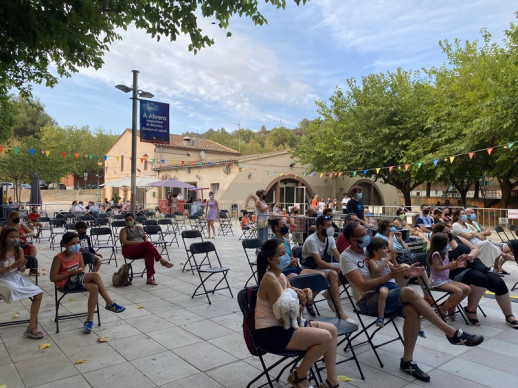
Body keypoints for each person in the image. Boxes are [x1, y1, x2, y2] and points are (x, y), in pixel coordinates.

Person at [341, 222, 484, 382]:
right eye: (363, 234)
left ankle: (407, 361)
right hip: (368, 300)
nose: (368, 235)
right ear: (353, 240)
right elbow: (362, 285)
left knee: (412, 310)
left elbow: (391, 277)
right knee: (409, 292)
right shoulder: (347, 257)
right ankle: (451, 332)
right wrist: (389, 277)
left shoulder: (370, 250)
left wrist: (407, 273)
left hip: (387, 293)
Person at [255, 239, 341, 388]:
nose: (286, 257)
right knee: (324, 337)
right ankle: (299, 376)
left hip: (289, 325)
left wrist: (305, 294)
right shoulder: (271, 280)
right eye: (281, 254)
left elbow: (293, 297)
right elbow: (284, 318)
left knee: (332, 330)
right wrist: (302, 302)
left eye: (286, 253)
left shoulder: (281, 276)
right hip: (272, 332)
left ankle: (331, 381)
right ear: (270, 260)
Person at [432, 222, 518, 329]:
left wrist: (470, 256)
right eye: (446, 232)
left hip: (475, 265)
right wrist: (456, 263)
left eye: (449, 231)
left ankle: (509, 315)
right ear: (439, 234)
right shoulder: (438, 246)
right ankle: (470, 310)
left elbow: (475, 249)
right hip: (456, 271)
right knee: (480, 278)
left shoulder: (457, 238)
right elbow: (439, 265)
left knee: (498, 281)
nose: (449, 233)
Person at [50, 232, 126, 333]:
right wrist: (70, 274)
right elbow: (53, 278)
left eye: (78, 242)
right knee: (95, 275)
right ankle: (109, 303)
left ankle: (89, 321)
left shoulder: (78, 254)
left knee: (94, 287)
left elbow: (82, 269)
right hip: (64, 283)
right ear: (65, 245)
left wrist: (79, 271)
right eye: (73, 243)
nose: (76, 245)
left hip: (77, 279)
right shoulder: (58, 258)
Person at [301, 215, 350, 320]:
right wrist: (337, 268)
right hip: (309, 267)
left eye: (331, 225)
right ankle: (339, 311)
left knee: (346, 270)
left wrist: (345, 265)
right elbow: (319, 263)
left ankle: (329, 294)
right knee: (333, 273)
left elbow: (337, 255)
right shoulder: (312, 240)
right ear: (319, 228)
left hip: (321, 265)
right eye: (328, 225)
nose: (331, 228)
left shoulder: (330, 238)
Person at [0, 227, 44, 339]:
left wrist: (22, 266)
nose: (15, 239)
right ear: (4, 238)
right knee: (12, 289)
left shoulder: (18, 250)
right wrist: (12, 266)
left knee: (39, 293)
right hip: (2, 278)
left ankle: (31, 326)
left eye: (17, 237)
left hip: (15, 277)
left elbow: (20, 270)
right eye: (12, 237)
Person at [119, 213, 173, 285]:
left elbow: (145, 238)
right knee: (147, 244)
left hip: (141, 247)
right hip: (129, 249)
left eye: (130, 220)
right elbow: (124, 242)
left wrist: (144, 243)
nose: (128, 221)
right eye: (126, 220)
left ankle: (149, 278)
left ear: (134, 219)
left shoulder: (140, 228)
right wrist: (137, 243)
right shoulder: (124, 230)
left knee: (149, 254)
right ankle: (161, 260)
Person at [427, 232, 471, 320]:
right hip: (437, 281)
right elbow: (436, 268)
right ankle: (443, 309)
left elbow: (448, 267)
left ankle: (451, 306)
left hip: (446, 279)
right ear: (441, 244)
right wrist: (449, 266)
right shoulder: (436, 254)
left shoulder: (445, 253)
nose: (449, 244)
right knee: (458, 292)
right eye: (447, 242)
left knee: (467, 289)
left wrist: (457, 263)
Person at [366, 237, 399, 328]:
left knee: (402, 293)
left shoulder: (386, 261)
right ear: (375, 251)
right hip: (382, 283)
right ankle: (381, 316)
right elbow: (378, 270)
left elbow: (396, 268)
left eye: (387, 248)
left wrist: (393, 259)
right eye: (384, 248)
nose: (387, 250)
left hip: (392, 283)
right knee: (384, 292)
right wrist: (387, 259)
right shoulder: (372, 261)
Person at [7, 211, 38, 275]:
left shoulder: (22, 225)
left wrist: (26, 235)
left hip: (25, 243)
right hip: (13, 245)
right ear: (10, 219)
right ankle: (19, 265)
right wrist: (17, 239)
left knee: (33, 248)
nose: (17, 219)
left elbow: (33, 233)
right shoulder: (6, 227)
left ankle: (32, 267)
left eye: (17, 217)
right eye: (14, 217)